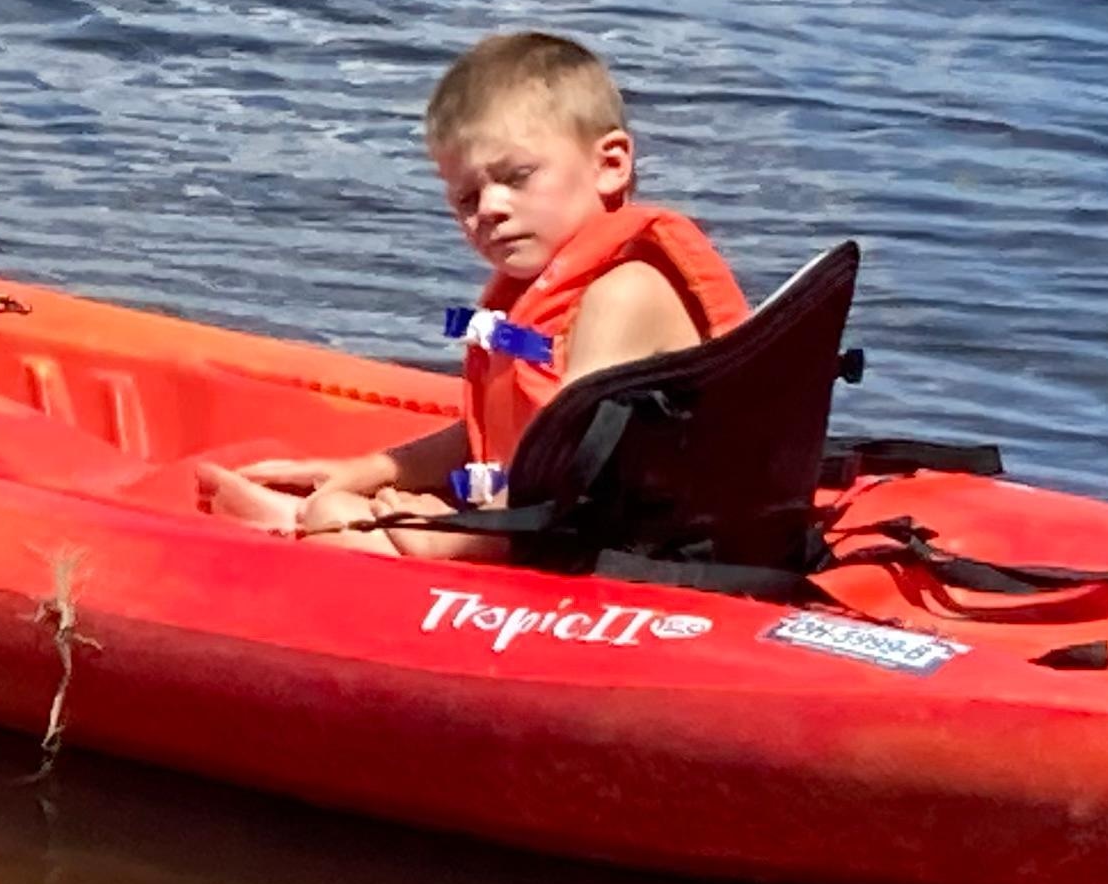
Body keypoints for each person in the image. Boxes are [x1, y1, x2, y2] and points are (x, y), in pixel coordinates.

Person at [198, 30, 746, 554]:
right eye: (466, 198)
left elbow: (560, 467)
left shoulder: (627, 293)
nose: (489, 209)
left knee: (333, 520)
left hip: (631, 554)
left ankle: (292, 528)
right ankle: (306, 520)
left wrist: (438, 535)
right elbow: (508, 426)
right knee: (342, 506)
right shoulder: (553, 288)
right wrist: (371, 470)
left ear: (609, 166)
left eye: (517, 176)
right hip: (549, 523)